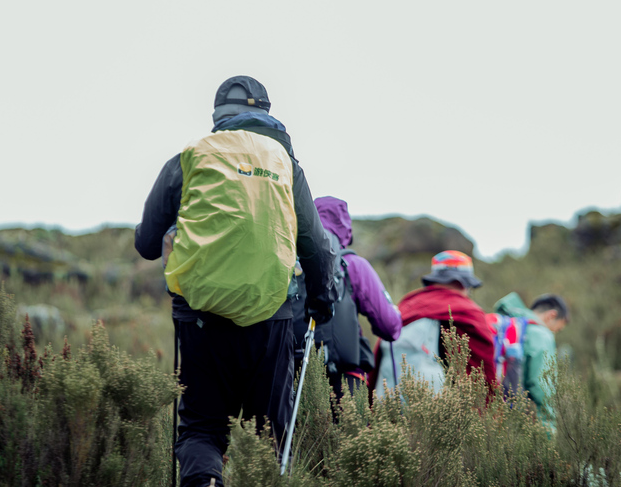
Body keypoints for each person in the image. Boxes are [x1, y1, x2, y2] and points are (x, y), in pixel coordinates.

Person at [134, 75, 338, 487]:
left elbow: (146, 245)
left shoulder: (189, 158)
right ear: (265, 114)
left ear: (218, 119)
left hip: (200, 317)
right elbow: (315, 244)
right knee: (271, 437)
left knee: (202, 429)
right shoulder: (285, 165)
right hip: (271, 319)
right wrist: (322, 299)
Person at [293, 196, 402, 399]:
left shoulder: (290, 261)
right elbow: (389, 327)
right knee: (351, 431)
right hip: (345, 382)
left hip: (290, 378)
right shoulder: (354, 265)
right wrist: (396, 315)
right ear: (345, 228)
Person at [369, 250, 497, 396]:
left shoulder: (408, 304)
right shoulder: (468, 310)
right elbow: (482, 371)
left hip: (388, 401)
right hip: (435, 407)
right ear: (463, 284)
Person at [491, 292, 569, 426]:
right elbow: (542, 388)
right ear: (552, 315)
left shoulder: (506, 323)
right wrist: (548, 431)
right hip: (512, 422)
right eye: (558, 329)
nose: (554, 333)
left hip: (487, 413)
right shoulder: (542, 335)